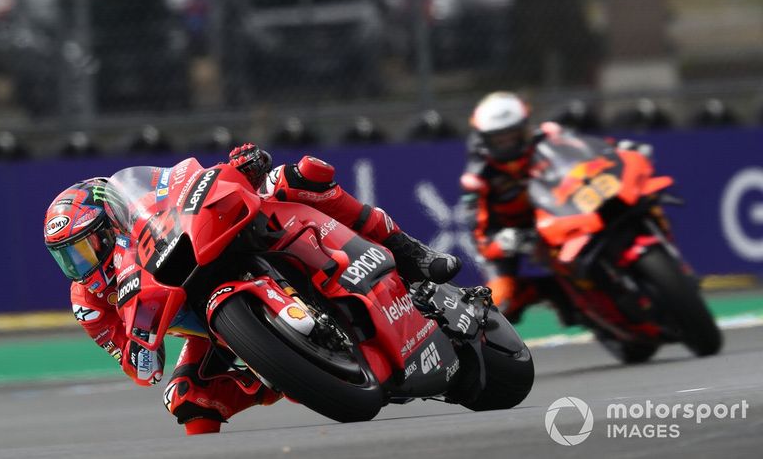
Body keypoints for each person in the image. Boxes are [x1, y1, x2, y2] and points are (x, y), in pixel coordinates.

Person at [44, 145, 461, 435]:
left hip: (244, 243)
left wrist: (246, 165)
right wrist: (140, 345)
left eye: (83, 249)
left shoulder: (143, 212)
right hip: (213, 334)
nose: (79, 266)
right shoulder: (91, 303)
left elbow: (189, 185)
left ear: (110, 224)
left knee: (295, 177)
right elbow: (140, 368)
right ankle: (282, 374)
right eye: (67, 258)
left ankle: (408, 251)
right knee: (184, 398)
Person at [459, 92, 558, 323]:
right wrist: (500, 242)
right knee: (498, 304)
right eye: (499, 139)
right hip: (510, 235)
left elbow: (586, 153)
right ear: (485, 139)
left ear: (524, 127)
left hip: (560, 216)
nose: (508, 143)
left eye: (512, 135)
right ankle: (532, 292)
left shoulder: (549, 137)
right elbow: (478, 237)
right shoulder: (476, 177)